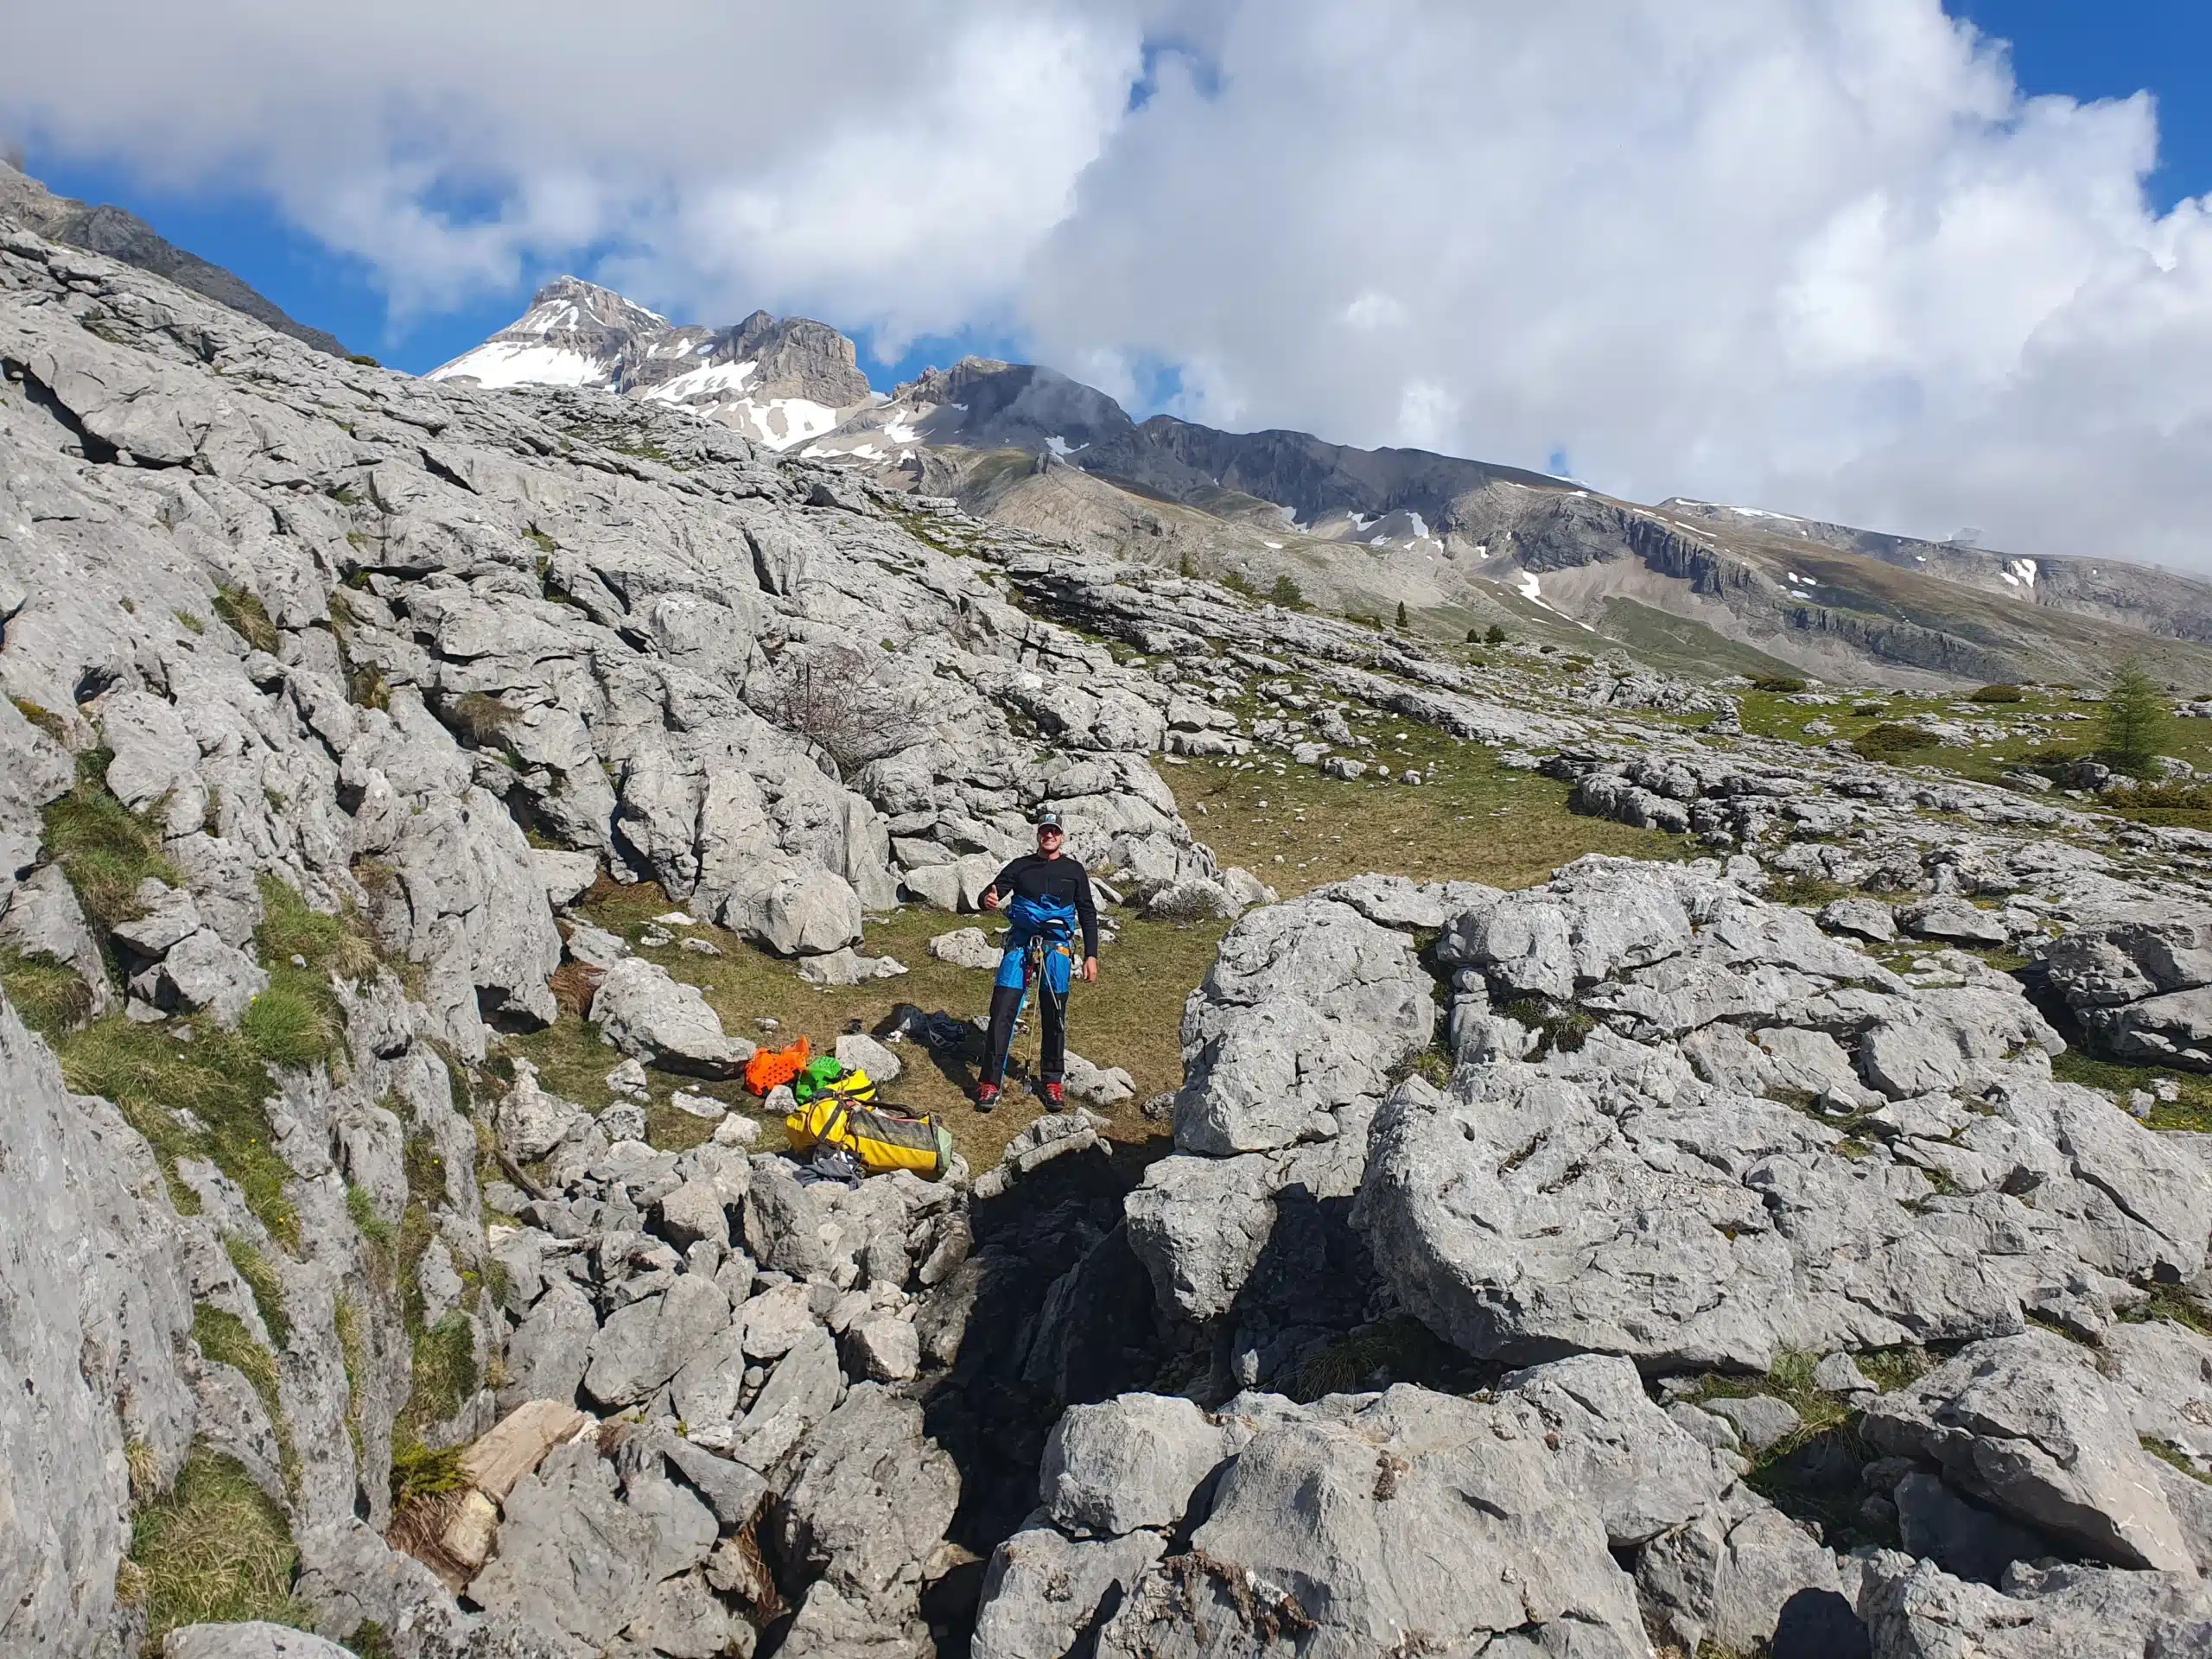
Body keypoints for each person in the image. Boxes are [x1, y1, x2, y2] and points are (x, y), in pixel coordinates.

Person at [973, 810, 1099, 1112]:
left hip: (1057, 950)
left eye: (1054, 831)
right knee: (1002, 1010)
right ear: (1038, 835)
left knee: (1054, 1014)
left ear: (1062, 836)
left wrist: (1091, 955)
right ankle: (990, 1082)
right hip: (1020, 945)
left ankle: (1052, 1081)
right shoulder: (1020, 867)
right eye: (1045, 830)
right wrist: (987, 900)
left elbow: (1087, 912)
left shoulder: (1074, 870)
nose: (1049, 835)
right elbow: (990, 893)